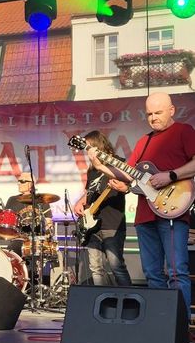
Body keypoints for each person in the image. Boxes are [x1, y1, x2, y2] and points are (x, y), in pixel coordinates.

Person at [88, 92, 195, 318]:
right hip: (145, 215)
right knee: (152, 273)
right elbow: (128, 174)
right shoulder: (143, 142)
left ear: (172, 110)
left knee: (177, 272)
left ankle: (180, 326)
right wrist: (100, 165)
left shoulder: (184, 131)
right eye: (149, 114)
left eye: (158, 112)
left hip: (173, 212)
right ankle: (159, 323)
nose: (153, 118)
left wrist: (171, 175)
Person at [73, 130, 132, 287]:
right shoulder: (92, 170)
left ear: (98, 146)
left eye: (88, 147)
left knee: (116, 266)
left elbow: (128, 185)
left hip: (112, 223)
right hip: (91, 225)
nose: (87, 152)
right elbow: (89, 192)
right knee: (96, 268)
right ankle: (101, 298)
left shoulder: (118, 162)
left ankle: (128, 297)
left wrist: (124, 188)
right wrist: (80, 202)